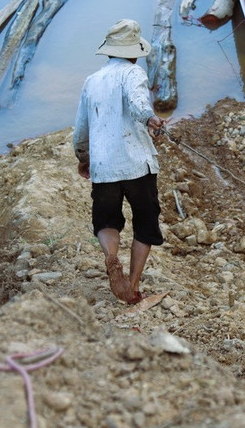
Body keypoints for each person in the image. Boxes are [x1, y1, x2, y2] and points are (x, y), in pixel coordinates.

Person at [73, 19, 166, 305]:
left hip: (104, 167)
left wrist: (84, 157)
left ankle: (112, 258)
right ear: (134, 53)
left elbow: (81, 129)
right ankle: (133, 287)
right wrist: (150, 118)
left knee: (106, 220)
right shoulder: (133, 72)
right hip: (136, 164)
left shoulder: (92, 81)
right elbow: (139, 103)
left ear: (110, 51)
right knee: (145, 222)